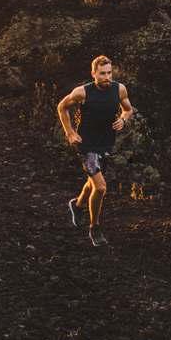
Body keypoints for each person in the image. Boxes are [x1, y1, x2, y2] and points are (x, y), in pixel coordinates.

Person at [57, 55, 133, 246]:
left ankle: (77, 205)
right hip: (87, 144)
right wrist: (70, 133)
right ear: (94, 74)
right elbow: (62, 107)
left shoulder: (119, 89)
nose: (107, 77)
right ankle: (95, 229)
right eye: (102, 74)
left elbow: (128, 110)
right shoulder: (83, 92)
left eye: (109, 73)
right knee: (100, 187)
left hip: (106, 144)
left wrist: (123, 120)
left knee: (93, 183)